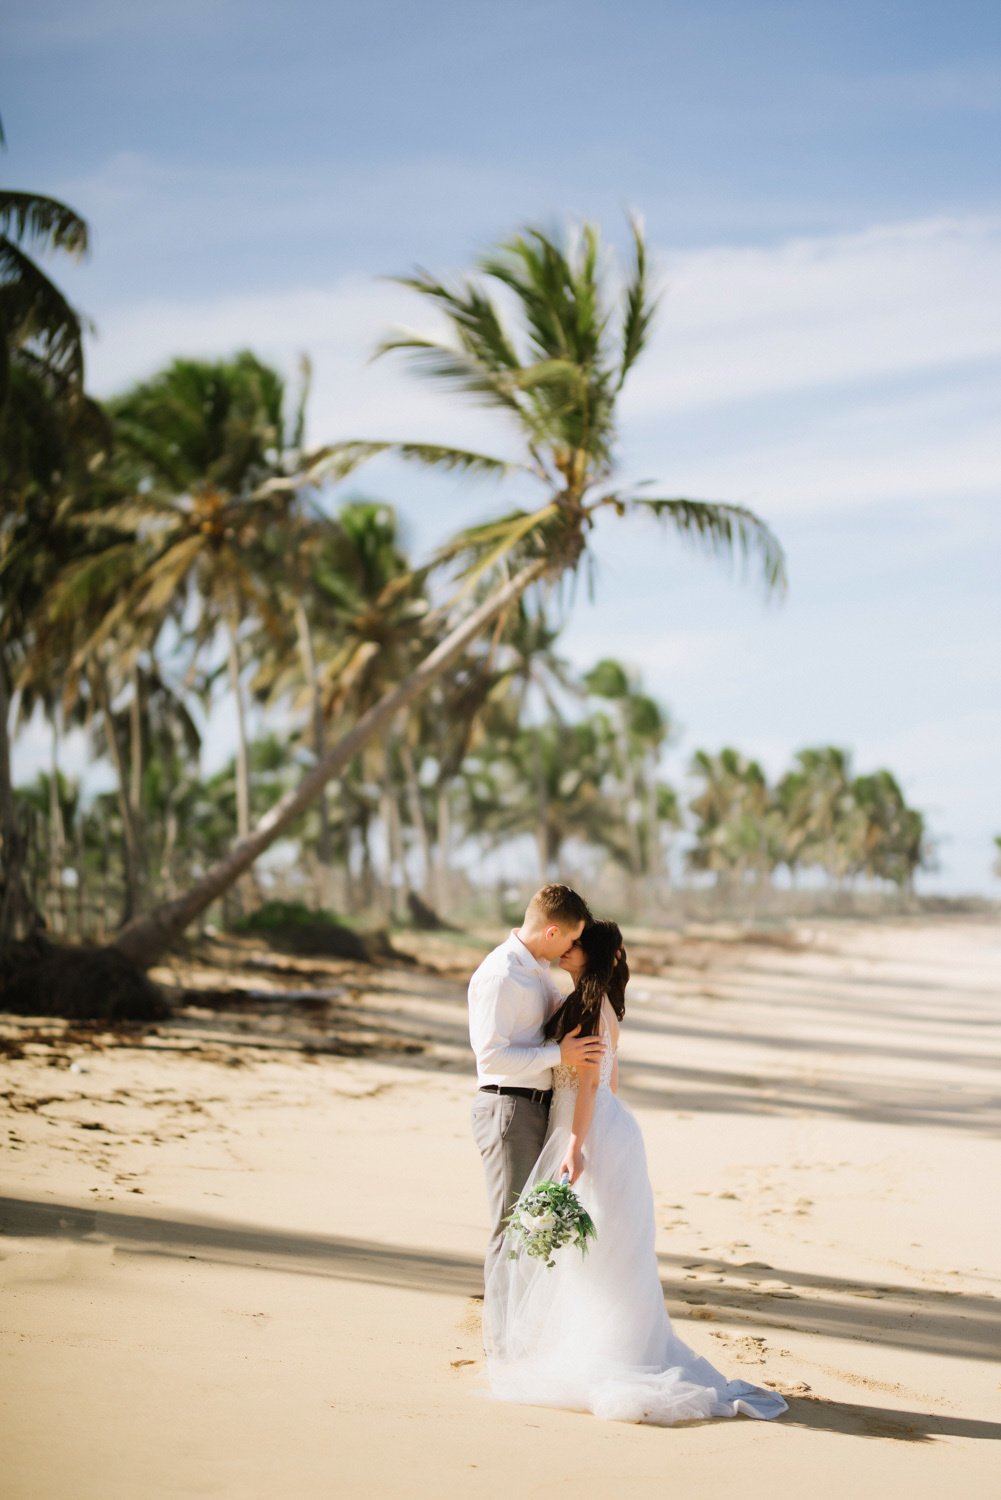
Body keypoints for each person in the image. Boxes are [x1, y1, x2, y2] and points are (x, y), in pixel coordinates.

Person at [483, 919, 788, 1426]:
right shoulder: (597, 1003)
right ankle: (605, 1348)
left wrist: (577, 1144)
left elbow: (586, 1084)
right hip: (607, 1128)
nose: (567, 949)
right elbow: (610, 1080)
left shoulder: (586, 1005)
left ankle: (610, 1357)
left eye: (576, 945)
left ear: (592, 954)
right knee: (606, 1253)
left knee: (602, 1255)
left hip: (590, 1132)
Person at [468, 884, 603, 1285]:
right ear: (552, 933)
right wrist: (559, 1056)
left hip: (533, 1107)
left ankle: (515, 1336)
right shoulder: (501, 975)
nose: (572, 946)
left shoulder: (538, 971)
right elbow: (490, 1057)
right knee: (511, 1229)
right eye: (573, 938)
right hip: (506, 1107)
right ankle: (500, 1344)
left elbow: (547, 1027)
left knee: (530, 1228)